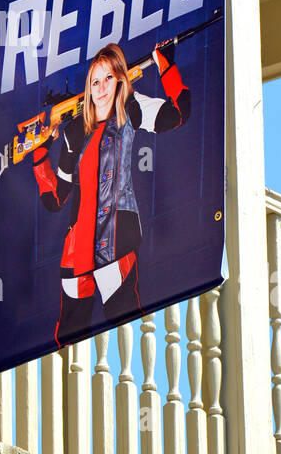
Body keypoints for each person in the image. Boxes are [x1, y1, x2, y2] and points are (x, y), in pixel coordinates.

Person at [32, 39, 190, 347]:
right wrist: (40, 157)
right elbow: (56, 199)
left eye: (109, 78)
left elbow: (178, 113)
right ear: (88, 87)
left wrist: (166, 66)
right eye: (95, 80)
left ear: (121, 80)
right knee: (68, 344)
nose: (102, 87)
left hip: (115, 244)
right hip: (75, 257)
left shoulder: (130, 107)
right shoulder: (74, 130)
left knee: (127, 328)